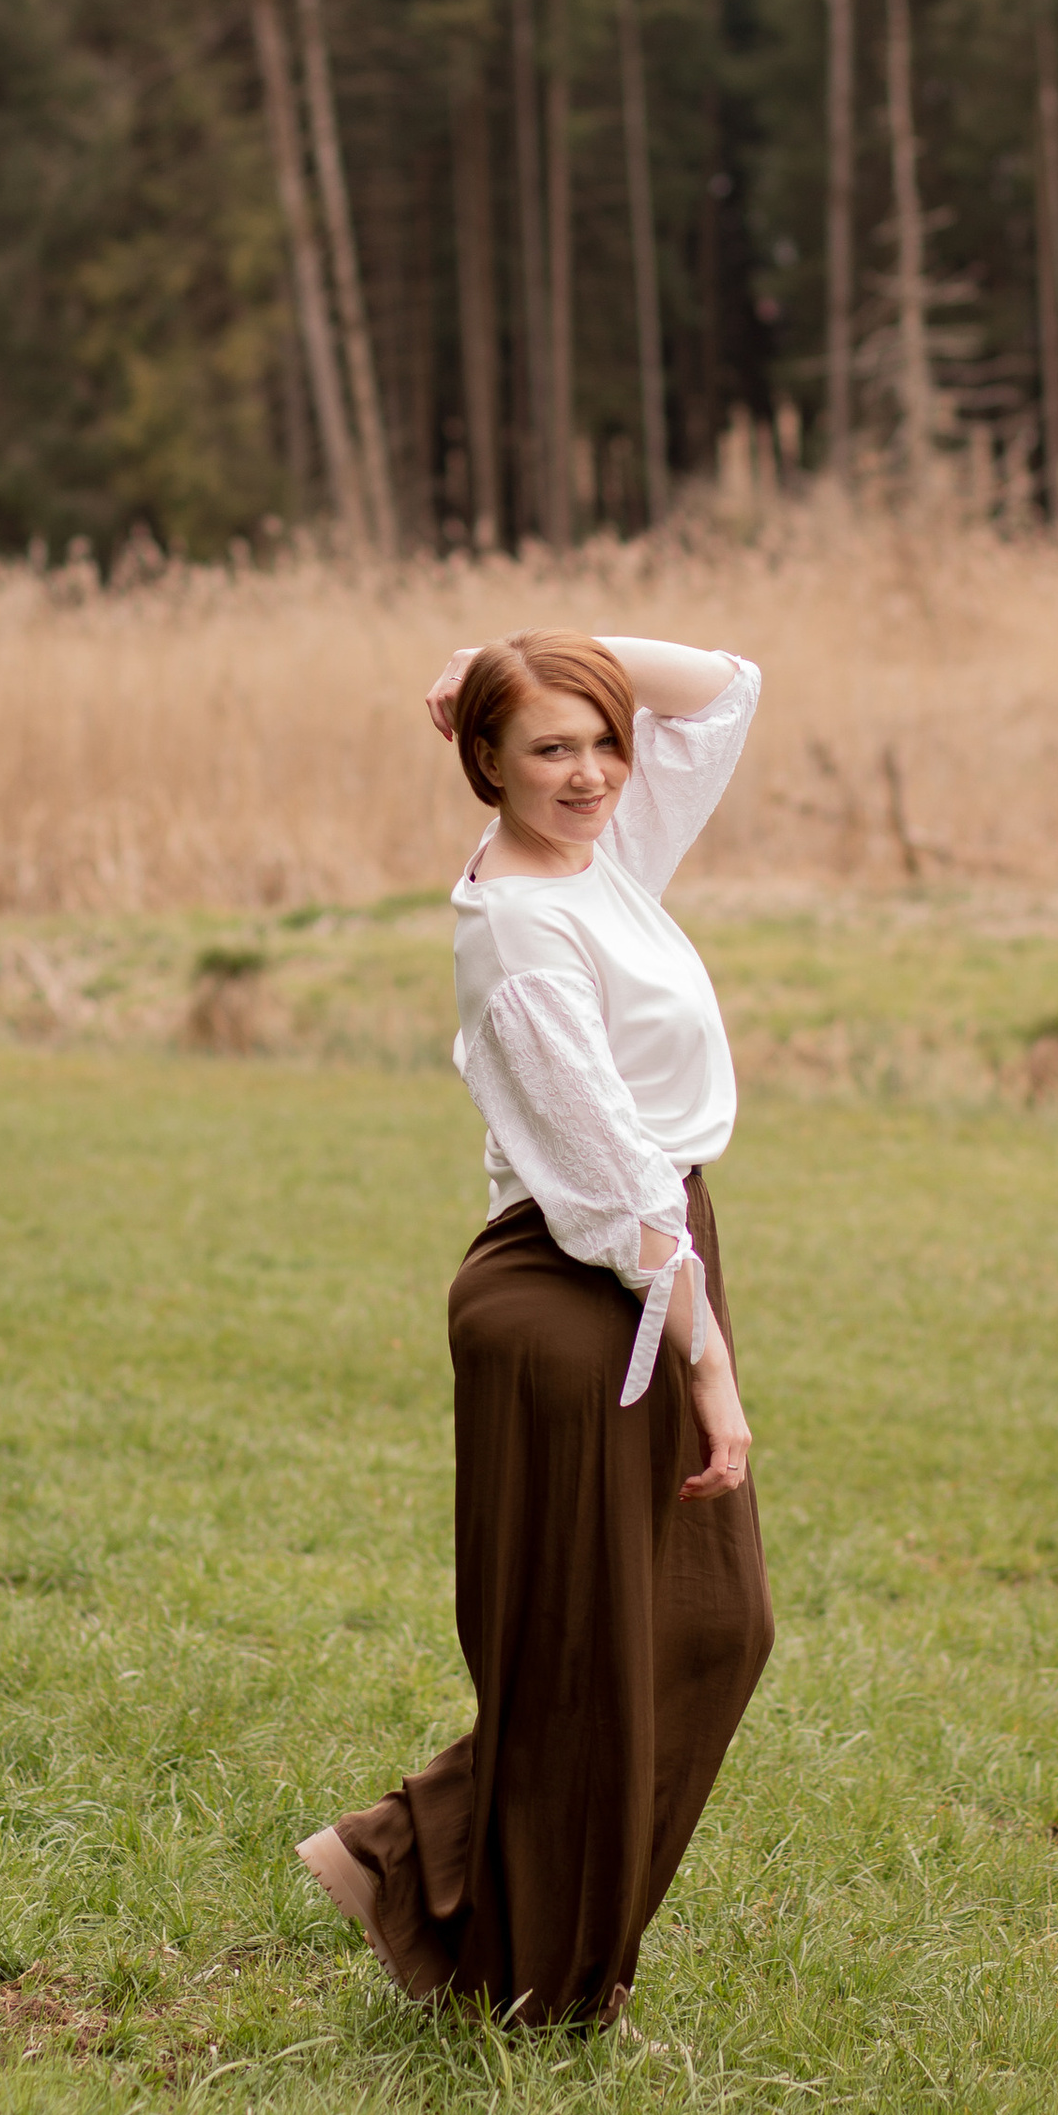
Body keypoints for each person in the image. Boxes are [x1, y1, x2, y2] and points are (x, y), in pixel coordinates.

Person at [297, 627, 774, 2027]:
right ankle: (534, 1983)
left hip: (651, 1259)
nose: (590, 773)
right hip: (581, 1288)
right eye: (551, 747)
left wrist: (517, 643)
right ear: (484, 762)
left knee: (709, 1630)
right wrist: (713, 1362)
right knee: (608, 1648)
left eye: (604, 743)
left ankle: (408, 1857)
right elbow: (613, 1184)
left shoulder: (605, 857)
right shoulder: (518, 927)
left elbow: (729, 686)